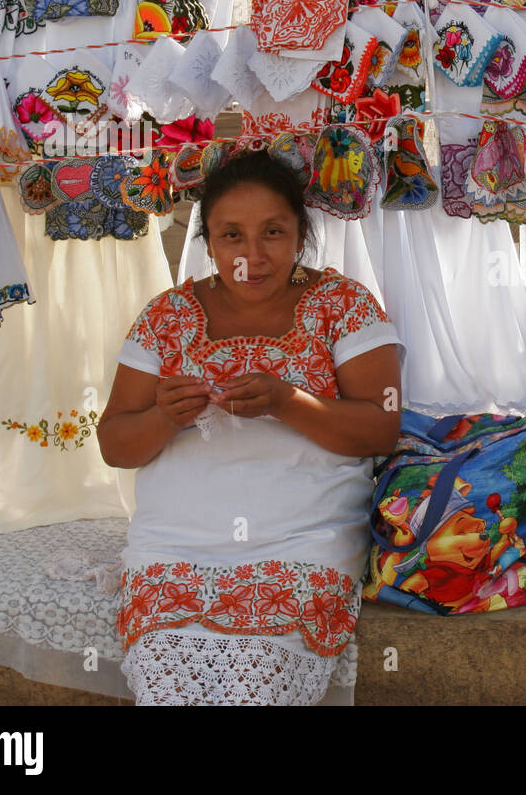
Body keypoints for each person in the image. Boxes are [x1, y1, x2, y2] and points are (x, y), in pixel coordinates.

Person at [96, 150, 404, 705]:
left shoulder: (345, 306)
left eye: (273, 232)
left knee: (259, 685)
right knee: (168, 689)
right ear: (207, 241)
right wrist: (165, 415)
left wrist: (289, 402)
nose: (252, 256)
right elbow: (115, 444)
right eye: (232, 236)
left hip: (303, 539)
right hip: (176, 543)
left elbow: (381, 429)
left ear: (301, 234)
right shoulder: (166, 316)